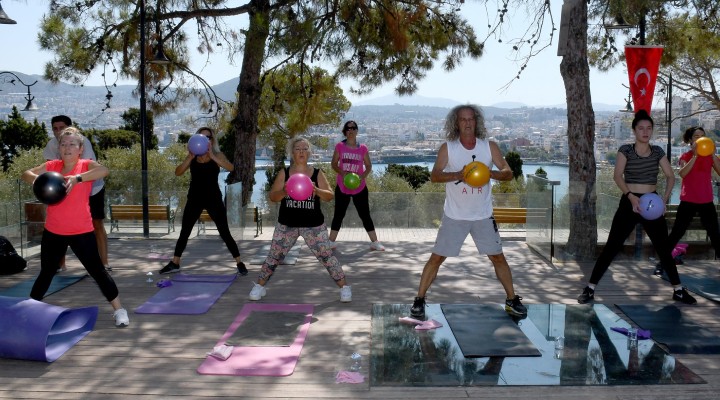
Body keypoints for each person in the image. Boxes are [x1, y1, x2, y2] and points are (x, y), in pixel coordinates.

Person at [409, 105, 527, 320]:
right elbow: (435, 176)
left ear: (477, 122)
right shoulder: (449, 148)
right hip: (455, 215)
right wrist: (460, 175)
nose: (467, 123)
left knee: (498, 257)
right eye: (463, 119)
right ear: (456, 123)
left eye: (471, 119)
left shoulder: (489, 147)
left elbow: (508, 173)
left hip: (482, 214)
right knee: (437, 258)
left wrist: (488, 173)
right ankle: (419, 300)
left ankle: (511, 299)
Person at [577, 110, 697, 305]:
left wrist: (665, 199)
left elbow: (671, 176)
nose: (645, 131)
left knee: (663, 248)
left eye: (649, 128)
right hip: (630, 202)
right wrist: (631, 197)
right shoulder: (625, 150)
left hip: (653, 203)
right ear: (634, 130)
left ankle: (678, 290)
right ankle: (590, 288)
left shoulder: (658, 151)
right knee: (611, 247)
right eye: (641, 128)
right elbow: (617, 176)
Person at [23, 127, 129, 327]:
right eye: (63, 144)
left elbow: (103, 170)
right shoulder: (52, 166)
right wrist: (38, 179)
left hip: (81, 231)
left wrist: (77, 178)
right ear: (58, 148)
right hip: (54, 231)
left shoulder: (85, 166)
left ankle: (119, 310)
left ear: (80, 148)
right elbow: (25, 173)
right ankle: (29, 310)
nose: (67, 147)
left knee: (97, 271)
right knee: (46, 272)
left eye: (72, 144)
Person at [248, 136, 352, 302]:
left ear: (309, 153)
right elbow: (273, 197)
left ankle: (345, 288)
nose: (301, 152)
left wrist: (316, 190)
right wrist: (285, 191)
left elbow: (330, 196)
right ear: (292, 153)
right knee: (274, 256)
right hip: (287, 224)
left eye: (305, 149)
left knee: (326, 256)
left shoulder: (317, 173)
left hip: (313, 225)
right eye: (298, 149)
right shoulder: (285, 173)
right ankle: (259, 286)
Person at [159, 127, 246, 275]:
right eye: (202, 136)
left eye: (208, 137)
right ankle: (175, 262)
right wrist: (189, 157)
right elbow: (178, 172)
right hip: (195, 197)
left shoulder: (217, 155)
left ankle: (239, 262)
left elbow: (231, 167)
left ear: (212, 141)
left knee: (224, 231)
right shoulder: (192, 157)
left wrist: (212, 156)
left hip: (213, 198)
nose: (205, 139)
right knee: (185, 231)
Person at [44, 115, 110, 272]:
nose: (58, 131)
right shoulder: (51, 145)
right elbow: (50, 169)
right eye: (55, 128)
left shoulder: (82, 142)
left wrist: (77, 179)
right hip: (65, 188)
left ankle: (104, 263)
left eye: (62, 127)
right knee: (60, 226)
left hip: (92, 188)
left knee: (97, 224)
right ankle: (61, 265)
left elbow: (94, 170)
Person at [654, 126, 720, 276]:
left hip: (706, 201)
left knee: (715, 235)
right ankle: (662, 264)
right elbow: (683, 173)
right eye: (696, 136)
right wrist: (695, 156)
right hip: (688, 201)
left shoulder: (710, 157)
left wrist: (714, 155)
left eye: (702, 136)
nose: (700, 138)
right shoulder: (686, 156)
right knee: (676, 234)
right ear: (691, 140)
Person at [329, 120, 384, 251]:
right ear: (345, 131)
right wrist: (342, 173)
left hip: (359, 187)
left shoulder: (363, 148)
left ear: (357, 131)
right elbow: (334, 164)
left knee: (365, 214)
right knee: (339, 214)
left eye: (353, 128)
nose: (351, 130)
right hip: (343, 186)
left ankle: (375, 242)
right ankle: (330, 242)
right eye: (348, 128)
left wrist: (362, 176)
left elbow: (369, 166)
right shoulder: (339, 147)